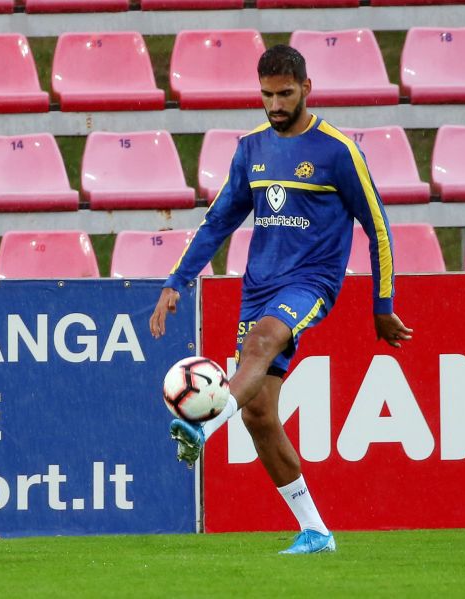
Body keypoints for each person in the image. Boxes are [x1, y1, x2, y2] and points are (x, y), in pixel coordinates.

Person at [149, 44, 413, 555]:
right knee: (258, 415)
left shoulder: (338, 151)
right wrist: (176, 280)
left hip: (311, 282)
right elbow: (218, 221)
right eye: (267, 95)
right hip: (259, 286)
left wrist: (382, 305)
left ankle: (202, 427)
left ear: (306, 89)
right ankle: (316, 531)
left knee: (263, 341)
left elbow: (378, 227)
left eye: (285, 94)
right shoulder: (251, 149)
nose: (275, 104)